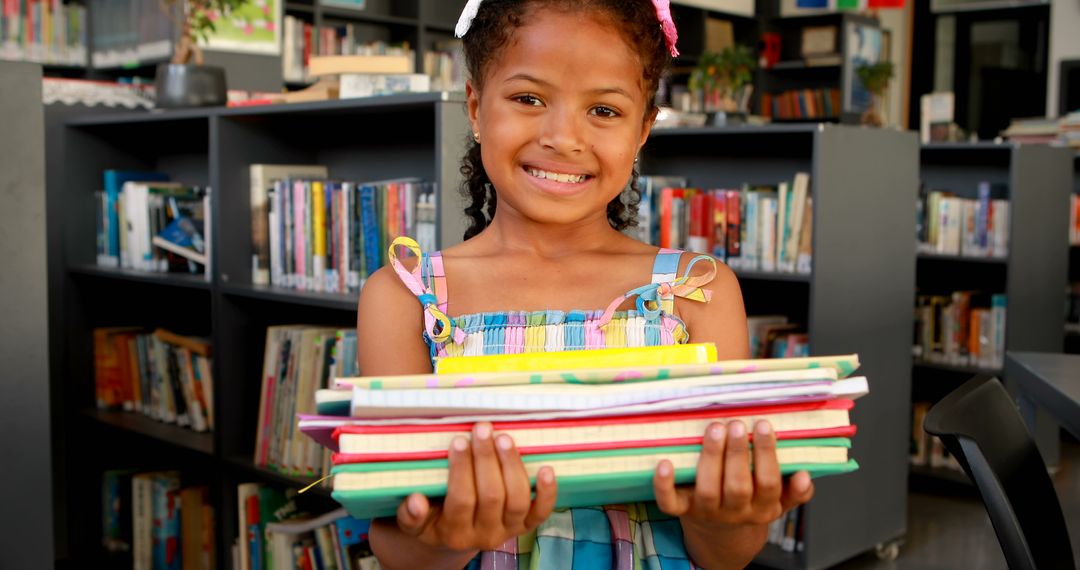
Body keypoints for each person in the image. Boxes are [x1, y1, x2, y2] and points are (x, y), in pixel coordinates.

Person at [356, 1, 815, 567]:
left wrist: (729, 517)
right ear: (475, 107)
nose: (563, 137)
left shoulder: (698, 292)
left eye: (603, 109)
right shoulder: (405, 297)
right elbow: (398, 549)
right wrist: (447, 533)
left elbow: (727, 555)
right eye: (528, 99)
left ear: (643, 129)